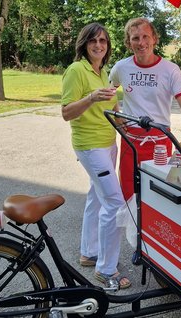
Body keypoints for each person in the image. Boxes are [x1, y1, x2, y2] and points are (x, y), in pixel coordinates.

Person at [109, 17, 181, 201]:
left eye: (145, 36)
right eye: (135, 38)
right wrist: (118, 115)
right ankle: (132, 230)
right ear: (128, 42)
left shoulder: (170, 70)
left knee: (159, 196)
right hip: (130, 142)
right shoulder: (121, 67)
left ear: (154, 38)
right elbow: (108, 93)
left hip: (160, 143)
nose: (141, 43)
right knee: (128, 195)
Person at [61, 22, 130, 290]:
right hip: (90, 146)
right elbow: (66, 112)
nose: (98, 45)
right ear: (84, 44)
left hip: (108, 143)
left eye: (103, 41)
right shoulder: (76, 70)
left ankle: (89, 253)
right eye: (93, 41)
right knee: (115, 203)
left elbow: (113, 108)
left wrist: (129, 131)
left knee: (96, 197)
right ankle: (106, 269)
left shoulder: (105, 73)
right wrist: (90, 98)